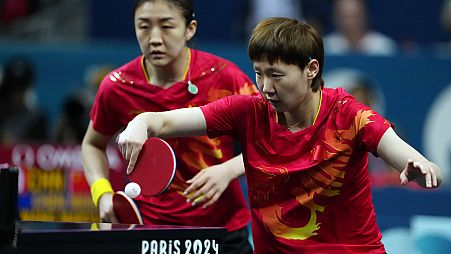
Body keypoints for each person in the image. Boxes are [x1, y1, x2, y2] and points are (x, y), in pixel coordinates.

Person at [117, 17, 443, 253]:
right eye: (258, 73)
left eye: (276, 75)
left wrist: (422, 168)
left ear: (311, 70)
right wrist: (141, 123)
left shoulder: (350, 116)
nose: (265, 87)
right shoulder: (248, 111)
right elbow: (163, 122)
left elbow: (416, 160)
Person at [82, 0, 258, 253]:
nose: (154, 38)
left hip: (221, 230)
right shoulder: (117, 86)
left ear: (190, 29)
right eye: (144, 27)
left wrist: (228, 170)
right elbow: (92, 144)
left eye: (166, 26)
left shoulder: (224, 77)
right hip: (147, 231)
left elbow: (271, 137)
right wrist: (102, 193)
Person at [323, 0, 397, 56]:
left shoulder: (383, 46)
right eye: (344, 16)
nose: (350, 22)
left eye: (355, 16)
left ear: (365, 16)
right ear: (335, 17)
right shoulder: (325, 47)